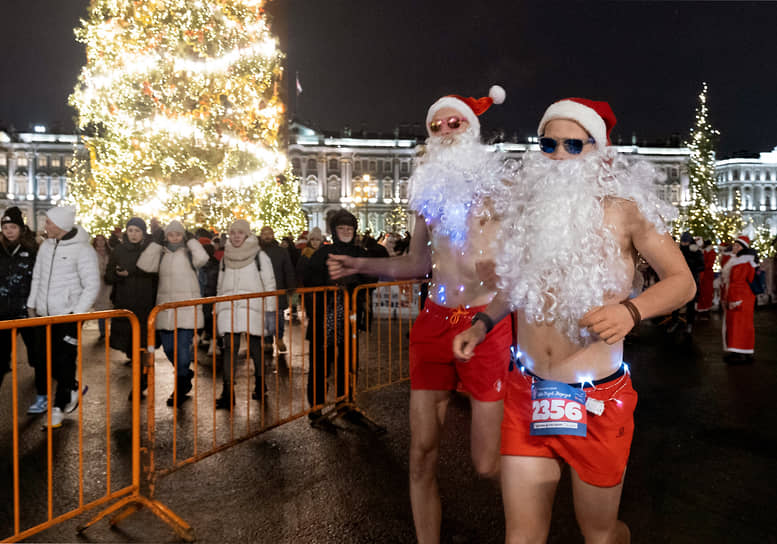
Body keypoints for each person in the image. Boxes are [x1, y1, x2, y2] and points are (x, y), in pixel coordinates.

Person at [452, 98, 696, 543]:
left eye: (572, 145)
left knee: (599, 533)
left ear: (597, 149)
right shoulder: (529, 213)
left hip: (596, 400)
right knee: (521, 535)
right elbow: (517, 286)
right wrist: (483, 324)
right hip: (528, 392)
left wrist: (630, 311)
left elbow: (683, 282)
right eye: (548, 144)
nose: (560, 155)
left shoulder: (625, 210)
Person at [327, 86, 511, 542]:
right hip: (434, 322)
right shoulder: (427, 196)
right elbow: (417, 264)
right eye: (436, 126)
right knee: (420, 455)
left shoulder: (500, 189)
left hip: (485, 323)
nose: (445, 131)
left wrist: (505, 268)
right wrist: (361, 264)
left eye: (455, 123)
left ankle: (527, 519)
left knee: (488, 464)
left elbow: (523, 260)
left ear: (473, 130)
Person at [27, 205, 99, 428]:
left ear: (60, 225)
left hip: (67, 316)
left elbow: (92, 285)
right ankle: (73, 387)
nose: (45, 226)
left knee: (65, 359)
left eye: (48, 222)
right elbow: (37, 277)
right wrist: (32, 304)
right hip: (43, 315)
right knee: (43, 360)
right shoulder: (46, 247)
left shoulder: (83, 250)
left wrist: (76, 314)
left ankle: (58, 407)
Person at [304, 210, 371, 426]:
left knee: (348, 362)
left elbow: (371, 276)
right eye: (341, 229)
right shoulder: (323, 254)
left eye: (349, 229)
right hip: (325, 315)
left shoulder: (359, 253)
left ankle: (346, 403)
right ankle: (316, 407)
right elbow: (310, 281)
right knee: (321, 363)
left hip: (349, 317)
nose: (345, 232)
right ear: (334, 231)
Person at [137, 220, 209, 407]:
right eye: (171, 234)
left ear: (183, 235)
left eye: (178, 234)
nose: (174, 237)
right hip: (165, 309)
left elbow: (203, 259)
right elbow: (144, 265)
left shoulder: (189, 252)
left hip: (186, 308)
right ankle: (184, 373)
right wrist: (155, 243)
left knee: (183, 352)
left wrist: (192, 241)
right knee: (169, 349)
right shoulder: (161, 253)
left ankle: (180, 385)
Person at [214, 219, 276, 408]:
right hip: (229, 307)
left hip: (253, 307)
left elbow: (270, 283)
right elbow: (220, 284)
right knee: (229, 350)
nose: (236, 236)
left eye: (240, 233)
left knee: (256, 349)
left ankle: (260, 383)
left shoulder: (260, 256)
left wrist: (270, 311)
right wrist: (217, 308)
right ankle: (227, 391)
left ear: (247, 234)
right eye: (233, 233)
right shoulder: (225, 258)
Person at [105, 217, 158, 396]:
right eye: (131, 230)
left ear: (143, 232)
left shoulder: (150, 250)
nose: (134, 234)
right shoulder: (119, 250)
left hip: (145, 304)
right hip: (124, 303)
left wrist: (133, 273)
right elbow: (108, 275)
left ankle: (141, 379)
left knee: (142, 345)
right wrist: (119, 275)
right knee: (131, 346)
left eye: (137, 231)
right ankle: (140, 376)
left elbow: (155, 273)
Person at [0, 207, 40, 390]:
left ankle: (43, 391)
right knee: (0, 358)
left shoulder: (32, 250)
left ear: (21, 229)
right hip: (3, 312)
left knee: (37, 352)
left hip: (27, 310)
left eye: (13, 227)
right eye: (5, 227)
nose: (9, 231)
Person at [720, 235, 758, 364]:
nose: (734, 247)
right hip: (742, 297)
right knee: (741, 325)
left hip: (740, 297)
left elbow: (738, 282)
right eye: (734, 245)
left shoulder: (742, 262)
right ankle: (743, 351)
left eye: (737, 246)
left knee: (738, 325)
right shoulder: (738, 260)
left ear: (743, 248)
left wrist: (733, 299)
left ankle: (740, 353)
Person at [259, 226, 296, 353]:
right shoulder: (257, 252)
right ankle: (267, 340)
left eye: (269, 233)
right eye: (264, 234)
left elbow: (288, 269)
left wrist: (290, 285)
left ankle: (279, 338)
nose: (267, 236)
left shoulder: (281, 251)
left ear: (273, 235)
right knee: (264, 317)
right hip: (262, 289)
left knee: (278, 316)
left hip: (278, 288)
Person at [668, 232, 704, 335]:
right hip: (678, 280)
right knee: (676, 303)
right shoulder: (677, 251)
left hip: (691, 280)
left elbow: (702, 266)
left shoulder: (696, 251)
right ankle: (675, 321)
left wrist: (691, 269)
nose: (684, 244)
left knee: (690, 305)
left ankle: (689, 324)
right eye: (683, 242)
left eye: (686, 242)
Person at [92, 234, 113, 340]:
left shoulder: (110, 252)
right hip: (98, 284)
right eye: (98, 240)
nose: (100, 242)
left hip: (109, 283)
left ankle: (112, 331)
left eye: (102, 240)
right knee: (101, 309)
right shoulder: (91, 253)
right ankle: (103, 332)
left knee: (111, 306)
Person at [697, 239, 717, 313]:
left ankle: (705, 306)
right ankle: (702, 306)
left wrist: (701, 266)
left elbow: (709, 264)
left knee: (706, 291)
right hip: (703, 273)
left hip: (706, 274)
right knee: (702, 291)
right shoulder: (705, 251)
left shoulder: (710, 252)